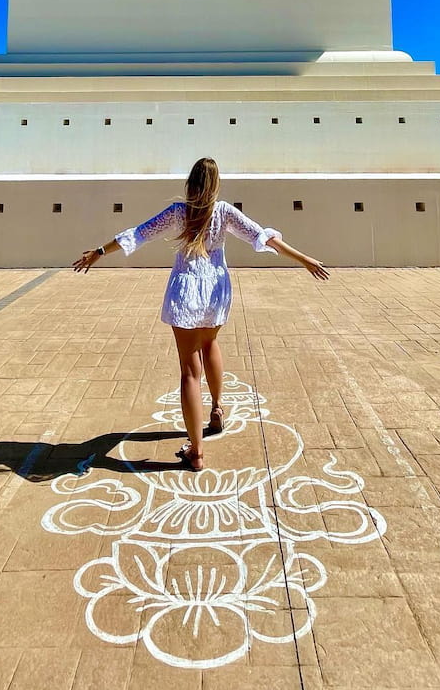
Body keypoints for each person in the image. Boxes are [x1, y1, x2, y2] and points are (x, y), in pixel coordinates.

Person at [73, 156, 329, 470]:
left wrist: (98, 252)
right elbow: (264, 237)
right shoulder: (224, 212)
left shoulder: (178, 213)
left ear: (190, 184)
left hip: (186, 292)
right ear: (215, 185)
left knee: (189, 372)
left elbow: (138, 233)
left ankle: (196, 452)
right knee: (210, 344)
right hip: (216, 292)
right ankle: (218, 409)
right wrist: (304, 259)